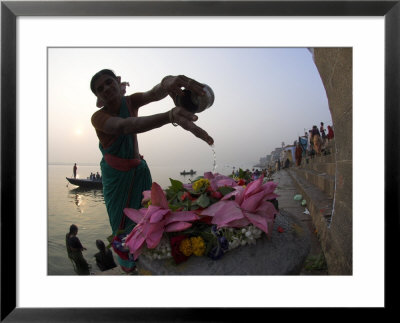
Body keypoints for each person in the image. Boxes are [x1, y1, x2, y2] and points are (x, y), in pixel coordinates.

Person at [90, 69, 214, 272]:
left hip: (139, 171)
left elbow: (153, 93)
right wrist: (169, 116)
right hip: (116, 179)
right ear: (98, 97)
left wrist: (167, 83)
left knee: (149, 217)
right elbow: (125, 126)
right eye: (99, 88)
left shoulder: (130, 101)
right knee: (122, 226)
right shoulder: (98, 117)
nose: (106, 88)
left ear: (117, 82)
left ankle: (150, 259)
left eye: (108, 82)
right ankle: (130, 267)